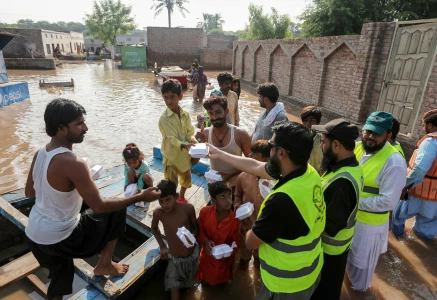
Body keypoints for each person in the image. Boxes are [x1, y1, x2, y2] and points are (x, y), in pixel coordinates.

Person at [24, 99, 161, 300]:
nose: (85, 128)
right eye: (79, 123)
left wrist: (66, 189)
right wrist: (141, 196)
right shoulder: (73, 162)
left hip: (34, 236)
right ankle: (104, 263)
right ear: (61, 128)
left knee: (59, 277)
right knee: (115, 208)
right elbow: (99, 205)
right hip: (63, 238)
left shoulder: (40, 153)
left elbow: (30, 193)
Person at [208, 120, 326, 299]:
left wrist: (250, 223)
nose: (268, 150)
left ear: (281, 152)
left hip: (285, 283)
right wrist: (218, 154)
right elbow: (255, 166)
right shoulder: (309, 172)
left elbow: (250, 243)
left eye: (270, 145)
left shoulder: (280, 201)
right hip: (310, 268)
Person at [346, 111, 406, 292]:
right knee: (346, 263)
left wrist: (352, 201)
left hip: (368, 228)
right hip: (348, 221)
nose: (370, 137)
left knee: (361, 274)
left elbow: (388, 202)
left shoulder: (394, 162)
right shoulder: (356, 148)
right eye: (368, 131)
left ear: (388, 135)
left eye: (377, 133)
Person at [310, 119, 363, 300]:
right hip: (338, 250)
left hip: (328, 254)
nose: (322, 147)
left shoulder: (342, 184)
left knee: (323, 294)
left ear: (336, 144)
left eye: (323, 142)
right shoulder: (348, 167)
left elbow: (329, 227)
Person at [392, 109, 437, 239]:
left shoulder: (431, 142)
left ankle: (398, 241)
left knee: (398, 216)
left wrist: (405, 185)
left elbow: (420, 169)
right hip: (435, 196)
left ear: (430, 125)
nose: (423, 128)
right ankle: (422, 249)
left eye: (423, 125)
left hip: (421, 188)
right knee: (428, 223)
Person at [195, 96, 251, 200]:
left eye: (218, 112)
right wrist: (198, 144)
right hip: (214, 187)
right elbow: (193, 161)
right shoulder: (205, 133)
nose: (215, 117)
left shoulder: (240, 134)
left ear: (227, 111)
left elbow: (251, 162)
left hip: (236, 188)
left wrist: (229, 174)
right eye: (211, 113)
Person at [151, 180, 199, 300]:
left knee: (192, 286)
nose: (164, 204)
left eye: (168, 199)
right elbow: (154, 229)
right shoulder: (158, 213)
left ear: (176, 197)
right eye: (161, 201)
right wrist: (162, 246)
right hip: (174, 258)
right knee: (173, 288)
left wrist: (191, 238)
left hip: (191, 256)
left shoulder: (188, 209)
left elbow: (196, 228)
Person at [158, 79, 198, 204]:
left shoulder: (185, 114)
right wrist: (185, 145)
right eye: (166, 97)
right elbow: (172, 139)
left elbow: (189, 132)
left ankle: (181, 197)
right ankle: (171, 202)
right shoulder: (164, 119)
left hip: (184, 155)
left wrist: (194, 140)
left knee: (186, 179)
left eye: (173, 97)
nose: (169, 101)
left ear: (180, 97)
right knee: (171, 183)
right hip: (171, 155)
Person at [234, 140, 270, 269]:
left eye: (254, 154)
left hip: (263, 230)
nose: (249, 156)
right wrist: (237, 206)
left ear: (265, 159)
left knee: (259, 259)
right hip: (246, 226)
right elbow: (237, 195)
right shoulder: (243, 176)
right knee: (244, 257)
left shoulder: (274, 180)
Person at [196, 181, 240, 284]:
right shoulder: (204, 212)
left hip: (224, 258)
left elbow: (236, 241)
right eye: (222, 197)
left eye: (229, 195)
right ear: (214, 200)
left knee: (222, 280)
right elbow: (200, 231)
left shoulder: (235, 219)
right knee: (205, 280)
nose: (228, 201)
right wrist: (206, 241)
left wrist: (229, 251)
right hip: (207, 255)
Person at [301, 106, 323, 173]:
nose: (308, 123)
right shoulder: (298, 138)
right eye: (305, 120)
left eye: (311, 120)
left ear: (318, 122)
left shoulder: (323, 140)